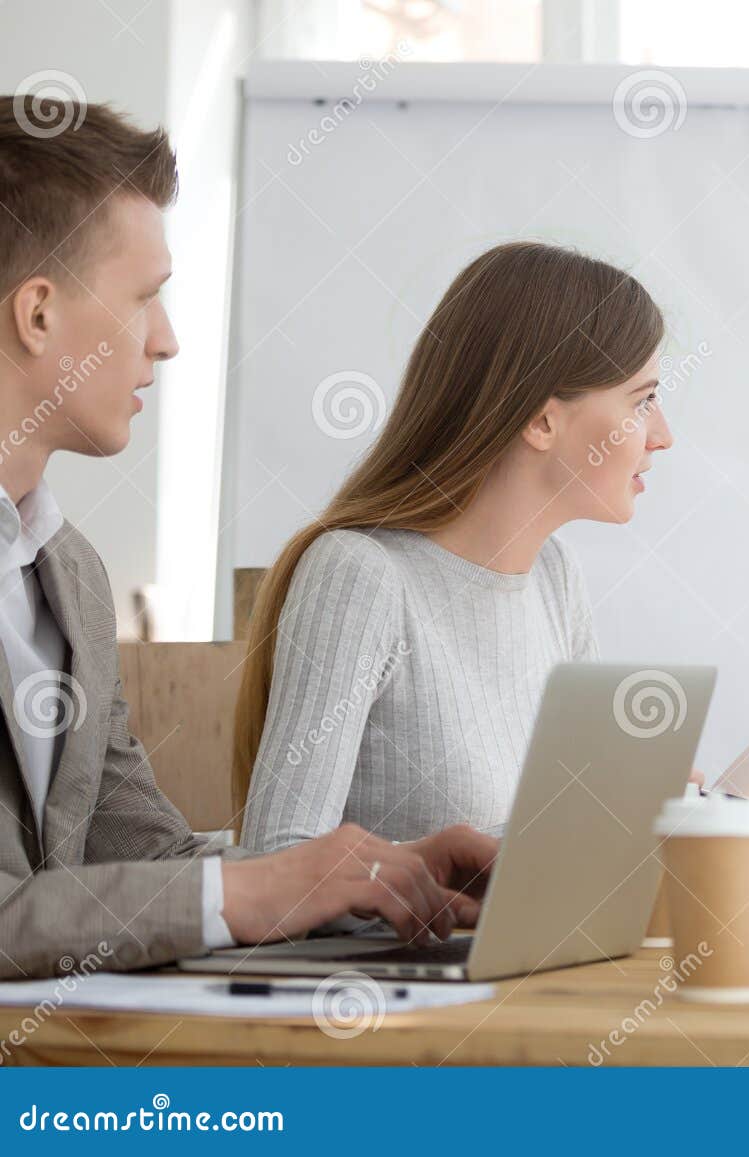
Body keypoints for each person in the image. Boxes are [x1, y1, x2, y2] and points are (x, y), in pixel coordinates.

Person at [0, 98, 497, 979]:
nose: (168, 339)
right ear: (38, 315)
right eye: (144, 297)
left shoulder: (66, 573)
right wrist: (256, 890)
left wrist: (361, 874)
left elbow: (145, 867)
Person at [232, 245, 749, 890]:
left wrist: (709, 844)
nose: (663, 435)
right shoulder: (360, 575)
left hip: (546, 974)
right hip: (408, 985)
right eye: (642, 401)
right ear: (541, 418)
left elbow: (578, 840)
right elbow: (275, 865)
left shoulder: (552, 576)